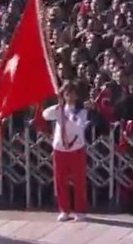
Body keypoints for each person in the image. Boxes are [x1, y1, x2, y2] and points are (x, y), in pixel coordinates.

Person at [42, 83, 93, 222]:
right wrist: (56, 108)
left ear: (77, 96)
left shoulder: (81, 111)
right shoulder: (59, 110)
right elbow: (45, 115)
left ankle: (80, 210)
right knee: (60, 180)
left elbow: (78, 125)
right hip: (60, 148)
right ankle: (64, 209)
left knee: (79, 180)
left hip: (76, 148)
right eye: (67, 93)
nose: (70, 96)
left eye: (72, 93)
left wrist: (68, 116)